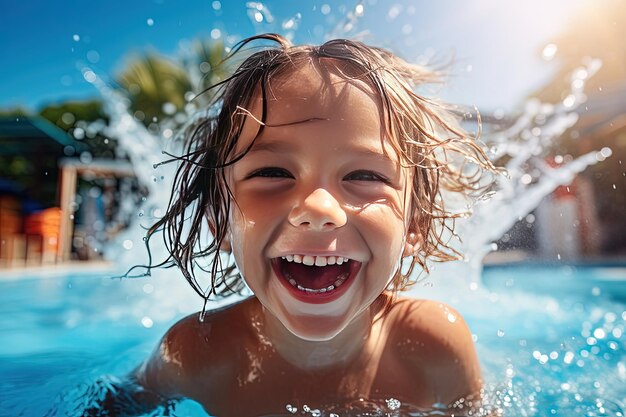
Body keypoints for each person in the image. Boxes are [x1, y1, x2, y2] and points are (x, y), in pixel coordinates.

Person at [133, 33, 496, 416]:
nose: (318, 208)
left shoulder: (435, 346)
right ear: (219, 219)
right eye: (273, 172)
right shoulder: (193, 356)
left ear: (413, 224)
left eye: (365, 176)